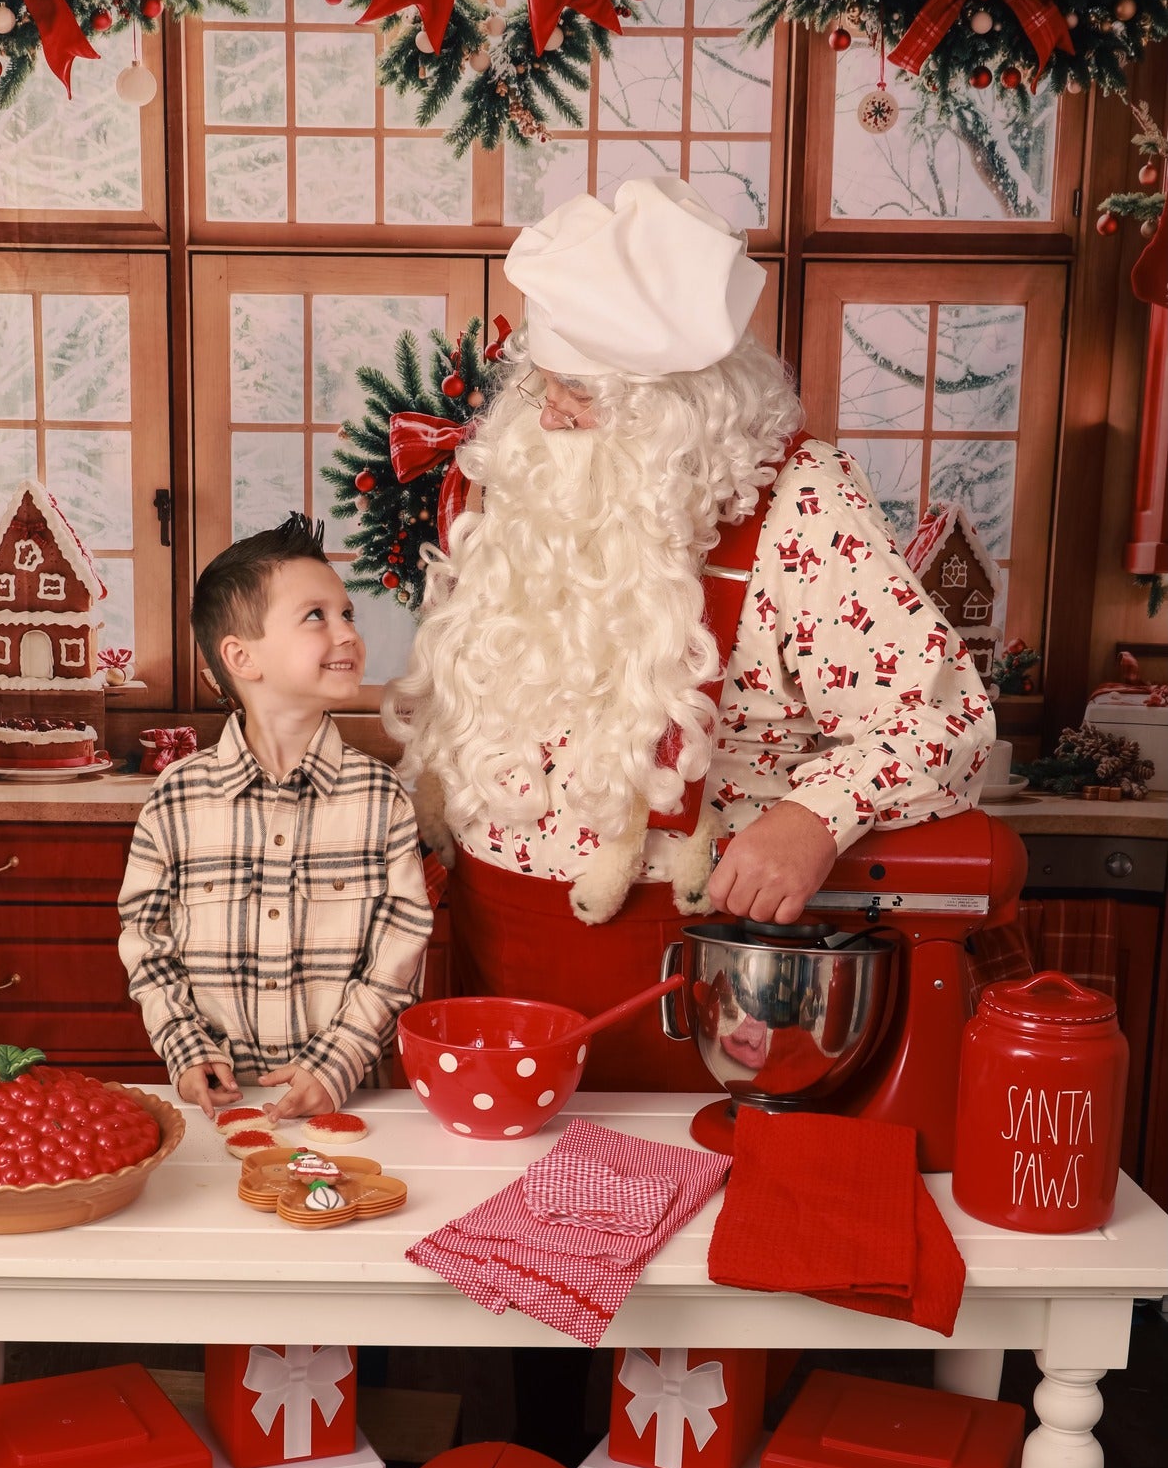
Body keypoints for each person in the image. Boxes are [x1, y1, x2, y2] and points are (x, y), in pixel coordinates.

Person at [388, 176, 995, 1091]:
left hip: (685, 969)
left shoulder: (802, 508)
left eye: (579, 395)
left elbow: (943, 720)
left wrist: (812, 816)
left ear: (680, 404)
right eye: (540, 382)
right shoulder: (525, 473)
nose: (546, 414)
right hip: (489, 942)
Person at [119, 514, 434, 1124]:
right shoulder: (176, 799)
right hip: (224, 1105)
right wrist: (184, 1047)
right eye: (316, 616)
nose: (345, 633)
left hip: (354, 1105)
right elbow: (146, 944)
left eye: (348, 615)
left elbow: (400, 951)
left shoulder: (380, 797)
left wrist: (338, 1059)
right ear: (242, 656)